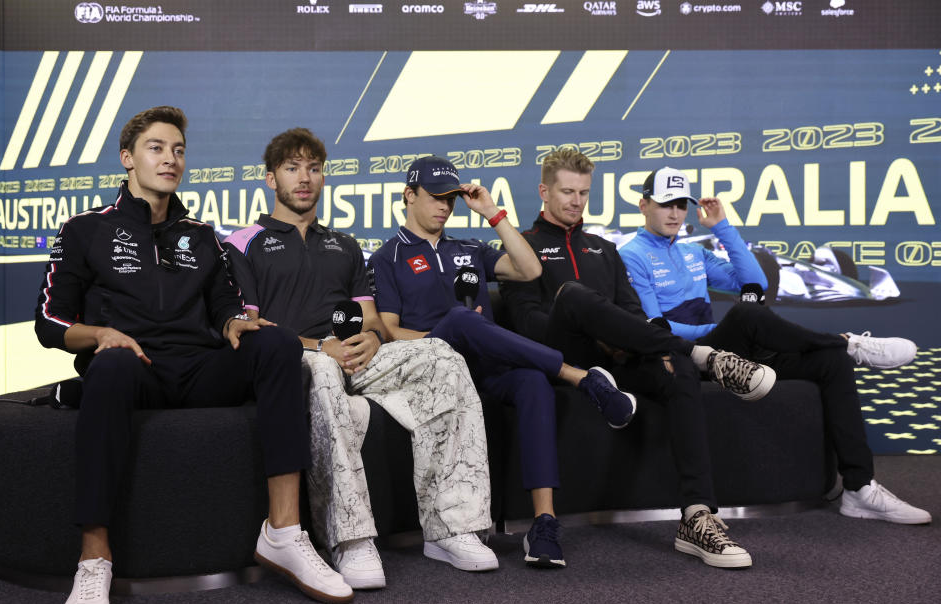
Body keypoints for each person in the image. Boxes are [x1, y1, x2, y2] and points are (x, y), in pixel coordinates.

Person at [34, 108, 352, 604]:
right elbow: (49, 322)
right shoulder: (85, 229)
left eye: (178, 150)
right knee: (108, 369)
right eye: (156, 148)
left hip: (198, 368)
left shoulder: (201, 235)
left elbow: (225, 304)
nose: (170, 159)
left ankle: (285, 531)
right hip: (131, 366)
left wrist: (233, 323)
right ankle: (94, 557)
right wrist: (100, 336)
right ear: (127, 159)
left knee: (274, 343)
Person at [224, 129, 495, 583]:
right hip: (298, 362)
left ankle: (453, 527)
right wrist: (319, 346)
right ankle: (350, 541)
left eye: (313, 168)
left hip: (354, 357)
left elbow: (368, 318)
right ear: (270, 179)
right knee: (326, 370)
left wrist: (371, 339)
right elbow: (253, 329)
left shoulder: (345, 245)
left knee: (442, 356)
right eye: (292, 168)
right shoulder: (244, 242)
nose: (304, 178)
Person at [500, 149, 779, 570]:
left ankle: (697, 517)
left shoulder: (604, 249)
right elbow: (528, 325)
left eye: (584, 193)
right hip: (563, 360)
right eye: (567, 191)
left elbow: (633, 314)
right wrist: (605, 332)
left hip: (618, 357)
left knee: (677, 370)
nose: (576, 201)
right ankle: (706, 356)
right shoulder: (521, 248)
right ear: (544, 190)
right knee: (573, 295)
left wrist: (625, 339)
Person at [619, 165, 931, 526]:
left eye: (680, 205)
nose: (674, 213)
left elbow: (755, 284)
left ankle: (859, 489)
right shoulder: (631, 256)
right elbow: (656, 328)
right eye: (664, 204)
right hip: (688, 360)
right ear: (643, 205)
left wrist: (722, 227)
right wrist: (723, 328)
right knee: (746, 317)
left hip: (731, 356)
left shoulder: (693, 253)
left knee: (829, 363)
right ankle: (845, 342)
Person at [368, 156, 638, 569]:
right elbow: (388, 331)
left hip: (483, 366)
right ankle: (579, 377)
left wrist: (492, 213)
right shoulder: (388, 257)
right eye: (436, 197)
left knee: (532, 380)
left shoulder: (469, 248)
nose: (445, 206)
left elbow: (530, 270)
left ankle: (543, 524)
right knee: (460, 320)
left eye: (452, 199)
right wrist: (451, 336)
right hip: (431, 366)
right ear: (409, 196)